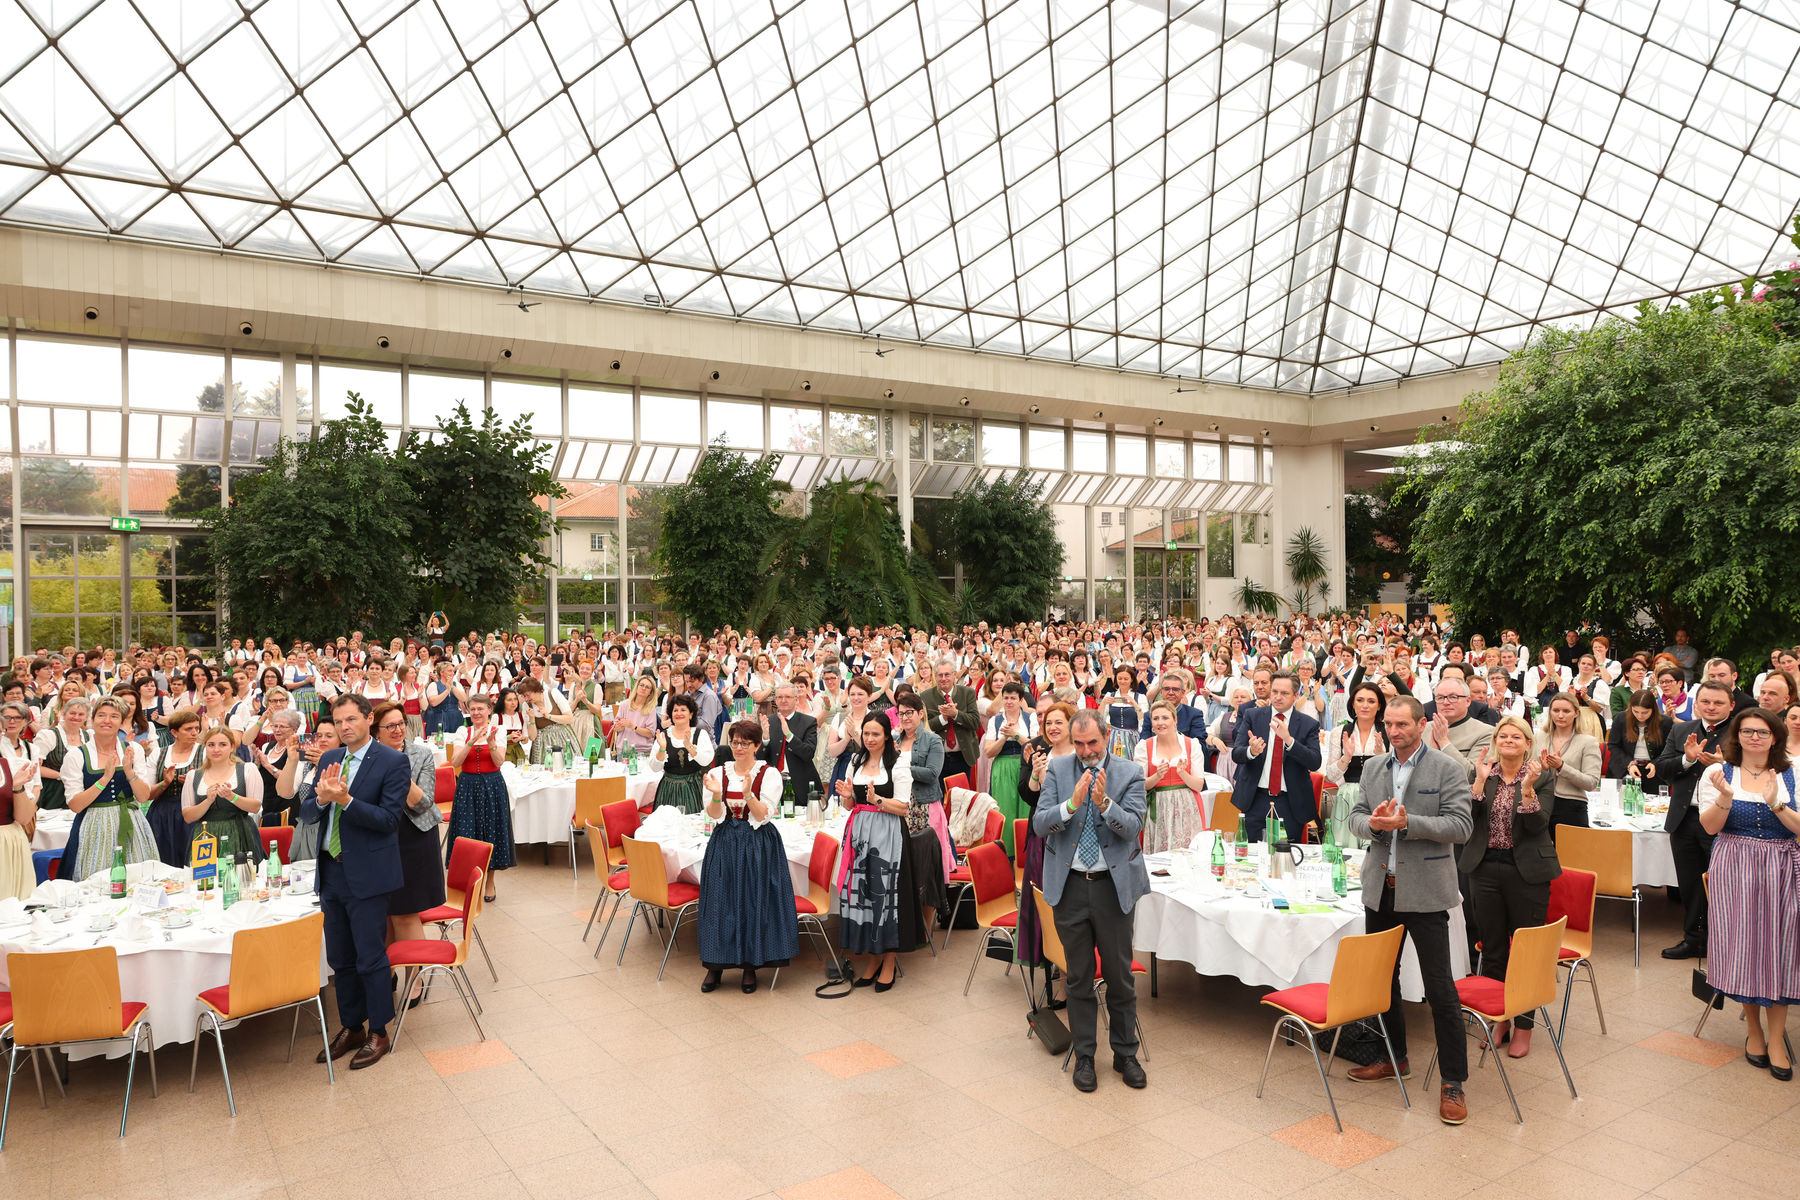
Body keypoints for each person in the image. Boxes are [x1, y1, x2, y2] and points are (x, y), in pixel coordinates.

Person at [1346, 695, 1476, 1125]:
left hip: (1426, 893)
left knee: (1441, 988)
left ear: (1422, 725)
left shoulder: (1447, 768)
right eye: (1389, 724)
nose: (1395, 731)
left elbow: (1461, 826)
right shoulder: (1373, 767)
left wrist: (1409, 823)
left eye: (1403, 724)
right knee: (1383, 983)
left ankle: (1453, 1081)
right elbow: (1357, 818)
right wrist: (1375, 826)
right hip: (1381, 888)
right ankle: (1394, 1057)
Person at [1033, 709, 1148, 1092]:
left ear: (1107, 735)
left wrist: (1103, 804)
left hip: (1112, 888)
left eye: (1092, 743)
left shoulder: (1130, 773)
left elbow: (1132, 828)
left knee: (1119, 976)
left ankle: (1125, 1053)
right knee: (1079, 976)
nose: (1085, 751)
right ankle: (1085, 1056)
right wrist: (1071, 804)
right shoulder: (1057, 769)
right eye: (1079, 744)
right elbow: (1039, 823)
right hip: (1069, 887)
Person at [306, 693, 411, 1071]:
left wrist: (347, 800)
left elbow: (388, 820)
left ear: (369, 719)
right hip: (331, 870)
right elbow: (307, 811)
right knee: (340, 958)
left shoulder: (394, 761)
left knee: (370, 956)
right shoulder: (332, 758)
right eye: (338, 722)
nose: (344, 727)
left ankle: (378, 1030)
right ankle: (351, 1025)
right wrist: (321, 800)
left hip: (368, 873)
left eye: (351, 719)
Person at [1696, 707, 1800, 1080]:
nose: (1754, 737)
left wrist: (1776, 803)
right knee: (1743, 947)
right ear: (1737, 736)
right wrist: (1725, 797)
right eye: (1747, 731)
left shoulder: (1793, 772)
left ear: (1775, 737)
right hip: (1733, 864)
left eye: (1762, 731)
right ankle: (1754, 1030)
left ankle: (1776, 1038)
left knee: (1779, 949)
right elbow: (1709, 828)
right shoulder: (1717, 773)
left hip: (1781, 867)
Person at [1462, 718, 1559, 1059]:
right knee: (1492, 949)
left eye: (1516, 736)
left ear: (1528, 743)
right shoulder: (1485, 773)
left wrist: (1529, 788)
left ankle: (1525, 1026)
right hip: (1484, 867)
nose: (1508, 740)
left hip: (1527, 871)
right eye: (1502, 735)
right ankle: (1497, 1019)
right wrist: (1477, 781)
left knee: (1525, 951)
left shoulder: (1543, 775)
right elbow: (1468, 820)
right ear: (1495, 740)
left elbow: (1537, 824)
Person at [695, 718, 797, 994]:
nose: (738, 747)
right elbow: (715, 815)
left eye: (745, 743)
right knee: (720, 899)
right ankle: (714, 965)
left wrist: (749, 794)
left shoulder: (770, 774)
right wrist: (717, 796)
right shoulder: (718, 772)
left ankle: (751, 966)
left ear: (756, 745)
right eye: (735, 742)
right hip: (726, 840)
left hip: (757, 842)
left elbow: (763, 815)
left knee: (753, 899)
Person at [835, 713, 929, 990]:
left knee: (886, 899)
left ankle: (889, 961)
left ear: (887, 735)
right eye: (866, 734)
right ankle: (873, 959)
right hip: (861, 834)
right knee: (864, 898)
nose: (870, 739)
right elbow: (849, 806)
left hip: (888, 836)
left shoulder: (899, 763)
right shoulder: (856, 761)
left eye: (876, 734)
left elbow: (903, 807)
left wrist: (877, 799)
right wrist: (846, 795)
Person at [1654, 679, 1737, 960]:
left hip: (1723, 820)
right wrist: (1686, 760)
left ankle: (1722, 945)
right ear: (1696, 703)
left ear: (1731, 706)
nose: (1711, 707)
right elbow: (1663, 768)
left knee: (1722, 886)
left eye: (1718, 703)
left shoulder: (1741, 732)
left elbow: (1754, 774)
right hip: (1684, 817)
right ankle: (1693, 940)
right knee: (1689, 884)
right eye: (1706, 702)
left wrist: (1724, 766)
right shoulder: (1681, 729)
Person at [371, 701, 445, 1010]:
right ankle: (385, 973)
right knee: (384, 915)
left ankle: (416, 977)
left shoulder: (420, 754)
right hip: (380, 839)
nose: (399, 729)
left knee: (405, 912)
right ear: (376, 732)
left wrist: (398, 770)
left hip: (414, 838)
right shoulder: (367, 757)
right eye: (390, 726)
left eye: (401, 723)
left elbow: (423, 803)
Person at [59, 697, 156, 880]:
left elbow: (143, 797)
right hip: (93, 826)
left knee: (137, 879)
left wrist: (129, 772)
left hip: (131, 822)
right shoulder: (76, 755)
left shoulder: (132, 749)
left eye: (114, 716)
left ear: (122, 721)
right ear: (92, 720)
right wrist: (104, 778)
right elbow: (75, 805)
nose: (107, 721)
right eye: (101, 715)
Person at [1016, 701, 1075, 996]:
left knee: (1067, 906)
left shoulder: (1080, 756)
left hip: (1070, 839)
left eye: (1058, 723)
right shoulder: (1040, 755)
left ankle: (1067, 978)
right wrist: (1036, 776)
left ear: (1070, 726)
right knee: (1046, 905)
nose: (1052, 728)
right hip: (1042, 837)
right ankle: (1051, 961)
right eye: (1048, 723)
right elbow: (1028, 796)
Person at [1230, 671, 1323, 842]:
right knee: (1251, 856)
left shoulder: (1308, 724)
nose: (1278, 697)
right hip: (1255, 798)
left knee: (1285, 858)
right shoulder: (1253, 716)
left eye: (1285, 693)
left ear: (1296, 695)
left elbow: (1315, 761)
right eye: (1275, 692)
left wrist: (1289, 740)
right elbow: (1236, 753)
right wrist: (1251, 752)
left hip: (1290, 802)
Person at [445, 695, 515, 903]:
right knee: (468, 834)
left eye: (480, 709)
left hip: (492, 785)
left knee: (491, 833)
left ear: (489, 710)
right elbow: (455, 761)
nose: (476, 713)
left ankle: (489, 881)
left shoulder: (498, 731)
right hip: (467, 785)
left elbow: (499, 762)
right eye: (472, 709)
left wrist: (491, 743)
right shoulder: (462, 731)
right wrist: (471, 741)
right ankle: (469, 880)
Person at [181, 726, 265, 865]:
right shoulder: (193, 776)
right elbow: (188, 816)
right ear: (205, 747)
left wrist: (232, 796)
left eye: (223, 744)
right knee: (205, 882)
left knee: (240, 880)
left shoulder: (247, 769)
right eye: (211, 745)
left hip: (239, 833)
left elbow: (255, 806)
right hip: (205, 837)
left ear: (232, 747)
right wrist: (208, 801)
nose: (216, 749)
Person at [1134, 700, 1208, 853]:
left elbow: (1199, 785)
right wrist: (1157, 776)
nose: (1160, 722)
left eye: (1165, 718)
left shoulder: (1192, 745)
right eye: (1155, 719)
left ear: (1175, 720)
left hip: (1186, 807)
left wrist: (1183, 774)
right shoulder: (1144, 746)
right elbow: (1140, 785)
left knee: (1187, 855)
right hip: (1157, 807)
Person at [1323, 682, 1387, 846]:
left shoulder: (1388, 731)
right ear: (1352, 703)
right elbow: (1331, 775)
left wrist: (1381, 755)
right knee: (1345, 849)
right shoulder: (1340, 732)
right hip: (1347, 797)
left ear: (1379, 705)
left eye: (1371, 701)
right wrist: (1346, 757)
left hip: (1379, 797)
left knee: (1374, 849)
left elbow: (1397, 773)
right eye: (1360, 700)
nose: (1365, 705)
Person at [983, 682, 1038, 856]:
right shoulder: (995, 720)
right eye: (1005, 698)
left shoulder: (1031, 718)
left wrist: (1016, 735)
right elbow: (989, 752)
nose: (1009, 701)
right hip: (1003, 766)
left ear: (1020, 699)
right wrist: (1003, 738)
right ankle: (1005, 857)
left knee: (1025, 808)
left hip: (1026, 765)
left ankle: (1026, 855)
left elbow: (1035, 748)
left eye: (1013, 698)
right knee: (1005, 810)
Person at [1532, 693, 1603, 828]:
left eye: (1566, 711)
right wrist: (1543, 769)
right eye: (1556, 710)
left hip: (1571, 807)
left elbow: (1591, 783)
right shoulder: (1539, 737)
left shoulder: (1588, 742)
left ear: (1576, 713)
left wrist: (1562, 767)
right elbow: (1529, 773)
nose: (1560, 715)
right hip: (1540, 803)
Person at [277, 716, 340, 862]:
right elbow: (283, 792)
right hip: (308, 830)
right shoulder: (306, 764)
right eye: (318, 735)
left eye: (329, 736)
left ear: (340, 739)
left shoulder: (347, 763)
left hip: (335, 831)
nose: (323, 739)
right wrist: (292, 759)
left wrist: (325, 763)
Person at [920, 659, 979, 785]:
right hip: (936, 758)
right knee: (939, 800)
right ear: (935, 676)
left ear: (954, 675)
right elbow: (924, 727)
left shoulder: (968, 693)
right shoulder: (925, 696)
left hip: (963, 756)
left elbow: (975, 722)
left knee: (961, 799)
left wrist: (956, 714)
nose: (943, 678)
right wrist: (943, 718)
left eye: (947, 674)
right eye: (940, 675)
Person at [651, 694, 714, 814]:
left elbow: (706, 760)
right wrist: (662, 749)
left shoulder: (700, 734)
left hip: (693, 788)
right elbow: (655, 768)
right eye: (675, 710)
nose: (678, 713)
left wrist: (689, 746)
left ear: (691, 714)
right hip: (668, 789)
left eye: (683, 710)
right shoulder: (663, 736)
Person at [759, 683, 820, 804]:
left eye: (788, 697)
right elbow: (760, 758)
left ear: (796, 699)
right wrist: (765, 739)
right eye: (780, 697)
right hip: (773, 783)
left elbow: (808, 753)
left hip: (801, 783)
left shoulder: (808, 722)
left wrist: (789, 736)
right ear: (775, 700)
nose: (783, 700)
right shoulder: (768, 721)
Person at [1604, 690, 1666, 783]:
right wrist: (1629, 763)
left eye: (1645, 712)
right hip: (1622, 768)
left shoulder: (1665, 722)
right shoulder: (1621, 718)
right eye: (1635, 711)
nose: (1640, 716)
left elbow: (1668, 750)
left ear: (1653, 709)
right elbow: (1613, 745)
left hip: (1652, 772)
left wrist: (1655, 764)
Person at [0, 742, 35, 900]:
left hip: (13, 841)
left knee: (19, 904)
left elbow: (24, 817)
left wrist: (18, 787)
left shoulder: (7, 764)